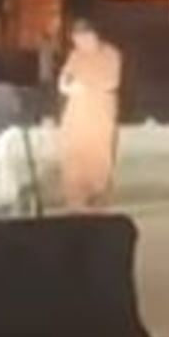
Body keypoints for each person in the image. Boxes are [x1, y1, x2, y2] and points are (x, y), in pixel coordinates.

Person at [57, 18, 122, 209]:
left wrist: (85, 86)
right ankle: (75, 202)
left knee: (98, 158)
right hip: (76, 115)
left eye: (82, 39)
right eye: (76, 40)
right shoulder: (75, 55)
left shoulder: (111, 54)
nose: (79, 44)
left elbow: (111, 82)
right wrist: (66, 86)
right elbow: (64, 78)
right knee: (74, 158)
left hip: (99, 114)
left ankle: (98, 200)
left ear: (93, 36)